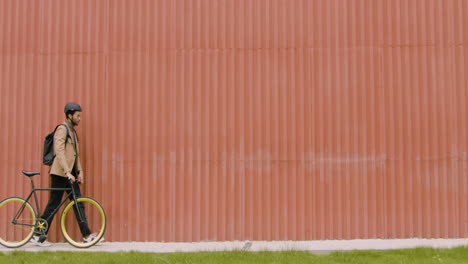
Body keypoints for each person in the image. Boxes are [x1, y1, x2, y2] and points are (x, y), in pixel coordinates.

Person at [31, 102, 96, 246]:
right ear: (69, 115)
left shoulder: (72, 131)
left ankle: (87, 235)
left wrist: (80, 171)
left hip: (70, 174)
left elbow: (76, 154)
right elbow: (59, 151)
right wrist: (67, 171)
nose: (80, 118)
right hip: (60, 173)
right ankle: (38, 235)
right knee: (53, 204)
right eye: (78, 116)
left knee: (78, 203)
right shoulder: (62, 129)